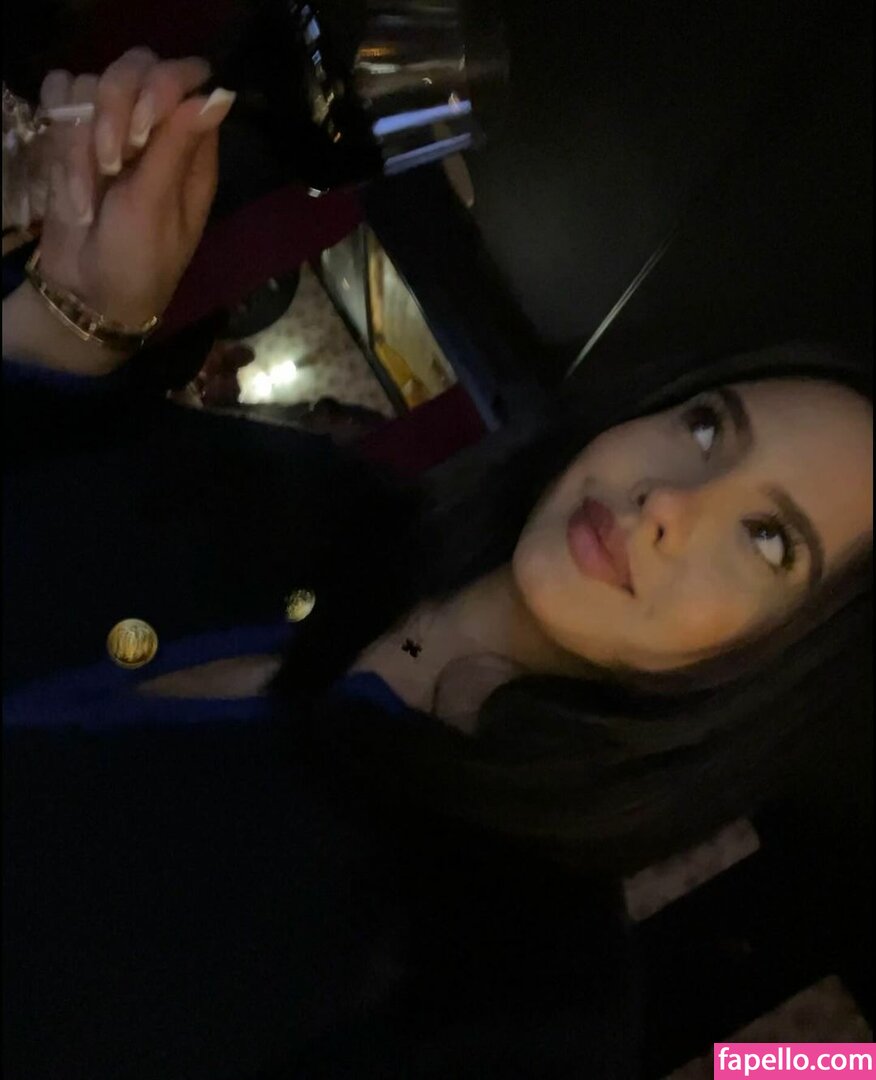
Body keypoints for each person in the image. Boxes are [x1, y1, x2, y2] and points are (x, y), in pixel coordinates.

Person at [2, 50, 872, 1078]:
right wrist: (73, 316)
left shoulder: (525, 998)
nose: (670, 504)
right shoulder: (318, 502)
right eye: (707, 427)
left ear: (777, 676)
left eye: (768, 541)